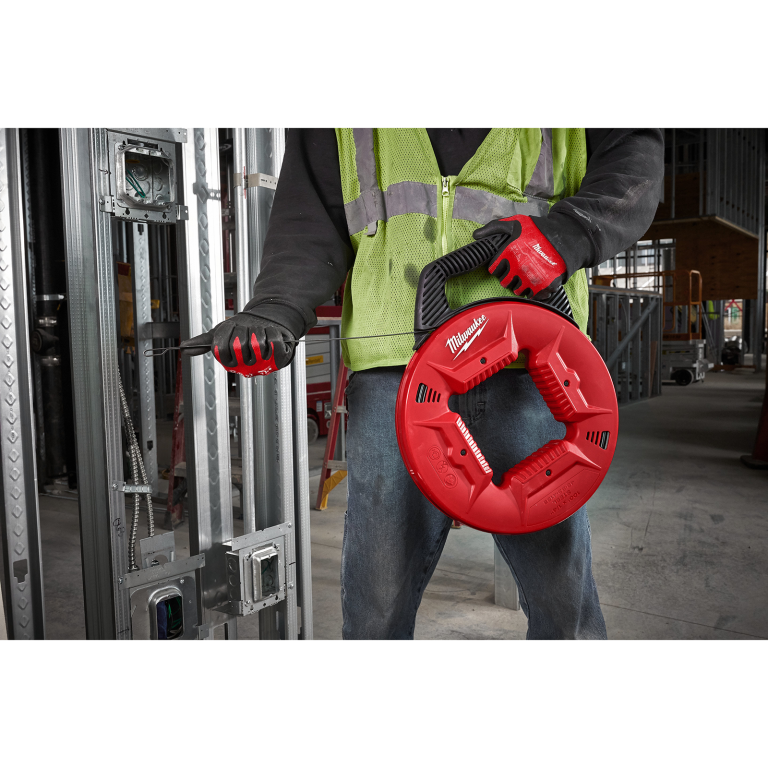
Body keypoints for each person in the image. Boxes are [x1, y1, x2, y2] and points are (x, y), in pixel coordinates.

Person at [183, 129, 664, 639]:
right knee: (375, 614)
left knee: (564, 608)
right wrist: (277, 306)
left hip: (534, 371)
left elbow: (634, 156)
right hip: (397, 380)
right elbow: (308, 220)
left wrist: (568, 234)